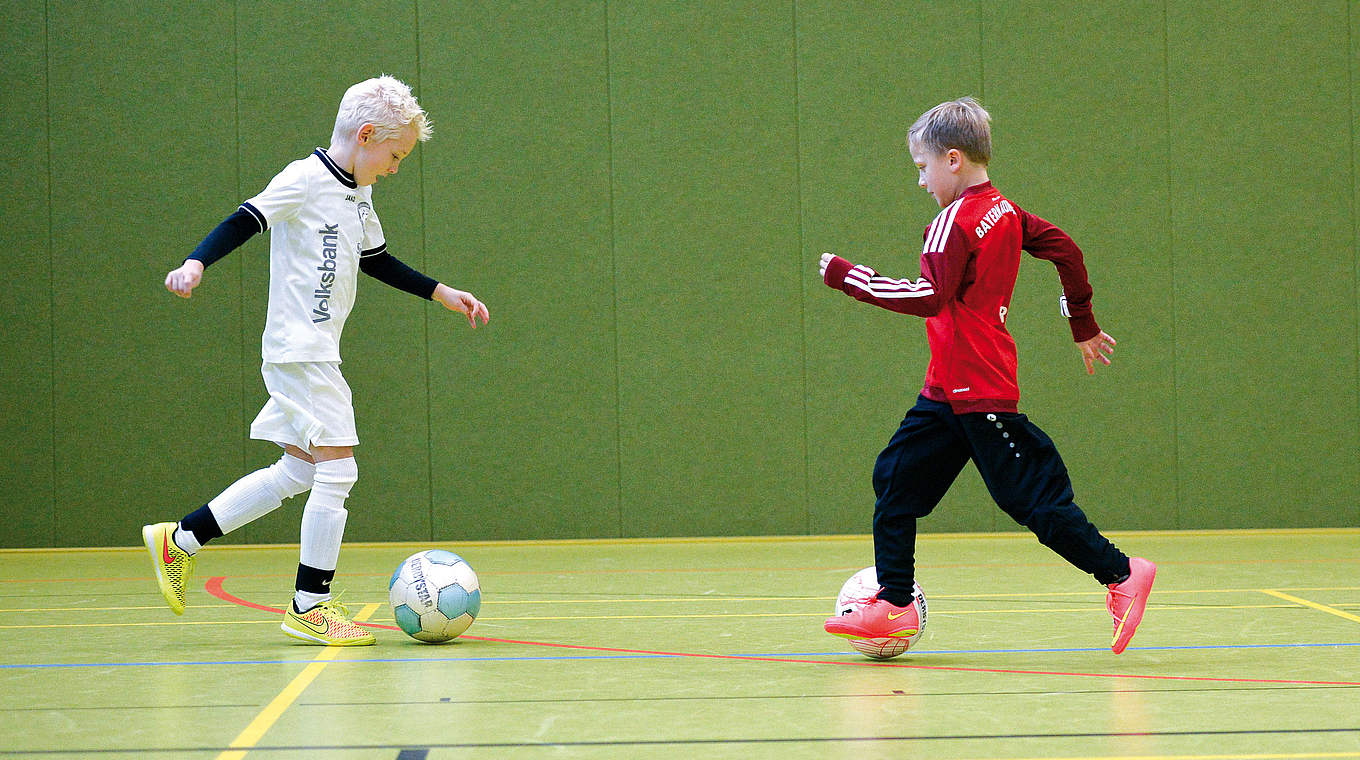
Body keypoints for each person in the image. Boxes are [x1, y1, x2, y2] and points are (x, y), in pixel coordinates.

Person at [144, 75, 489, 646]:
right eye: (395, 155)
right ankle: (310, 604)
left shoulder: (360, 193)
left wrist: (440, 292)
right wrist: (196, 263)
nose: (396, 167)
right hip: (299, 351)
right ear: (367, 134)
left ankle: (180, 540)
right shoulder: (303, 179)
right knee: (339, 470)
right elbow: (243, 220)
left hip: (313, 351)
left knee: (300, 470)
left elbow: (376, 260)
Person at [818, 97, 1154, 654]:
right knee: (895, 479)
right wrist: (1082, 324)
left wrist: (848, 276)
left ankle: (1122, 574)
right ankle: (896, 603)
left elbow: (928, 297)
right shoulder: (1003, 209)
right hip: (947, 389)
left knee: (1035, 504)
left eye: (923, 167)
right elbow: (1065, 250)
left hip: (981, 389)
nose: (921, 181)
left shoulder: (955, 222)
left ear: (953, 160)